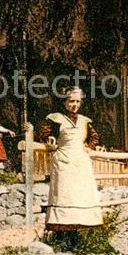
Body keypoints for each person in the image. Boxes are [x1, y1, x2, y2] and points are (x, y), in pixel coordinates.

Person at [39, 87, 102, 231]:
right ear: (64, 102)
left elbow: (94, 136)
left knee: (80, 193)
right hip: (63, 161)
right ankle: (62, 233)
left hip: (80, 162)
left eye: (78, 102)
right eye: (71, 101)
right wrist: (50, 138)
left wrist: (89, 147)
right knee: (64, 194)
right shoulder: (55, 119)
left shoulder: (84, 121)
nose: (74, 105)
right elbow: (44, 133)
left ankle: (79, 231)